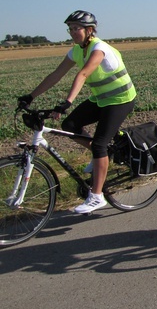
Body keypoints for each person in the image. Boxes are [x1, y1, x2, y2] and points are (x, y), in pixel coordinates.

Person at [17, 11, 137, 214]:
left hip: (120, 99)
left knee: (99, 144)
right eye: (70, 28)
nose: (72, 32)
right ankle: (102, 156)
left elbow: (83, 74)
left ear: (89, 30)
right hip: (100, 99)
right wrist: (31, 96)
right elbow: (56, 74)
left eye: (76, 28)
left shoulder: (99, 48)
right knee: (70, 125)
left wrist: (67, 102)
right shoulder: (76, 51)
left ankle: (97, 196)